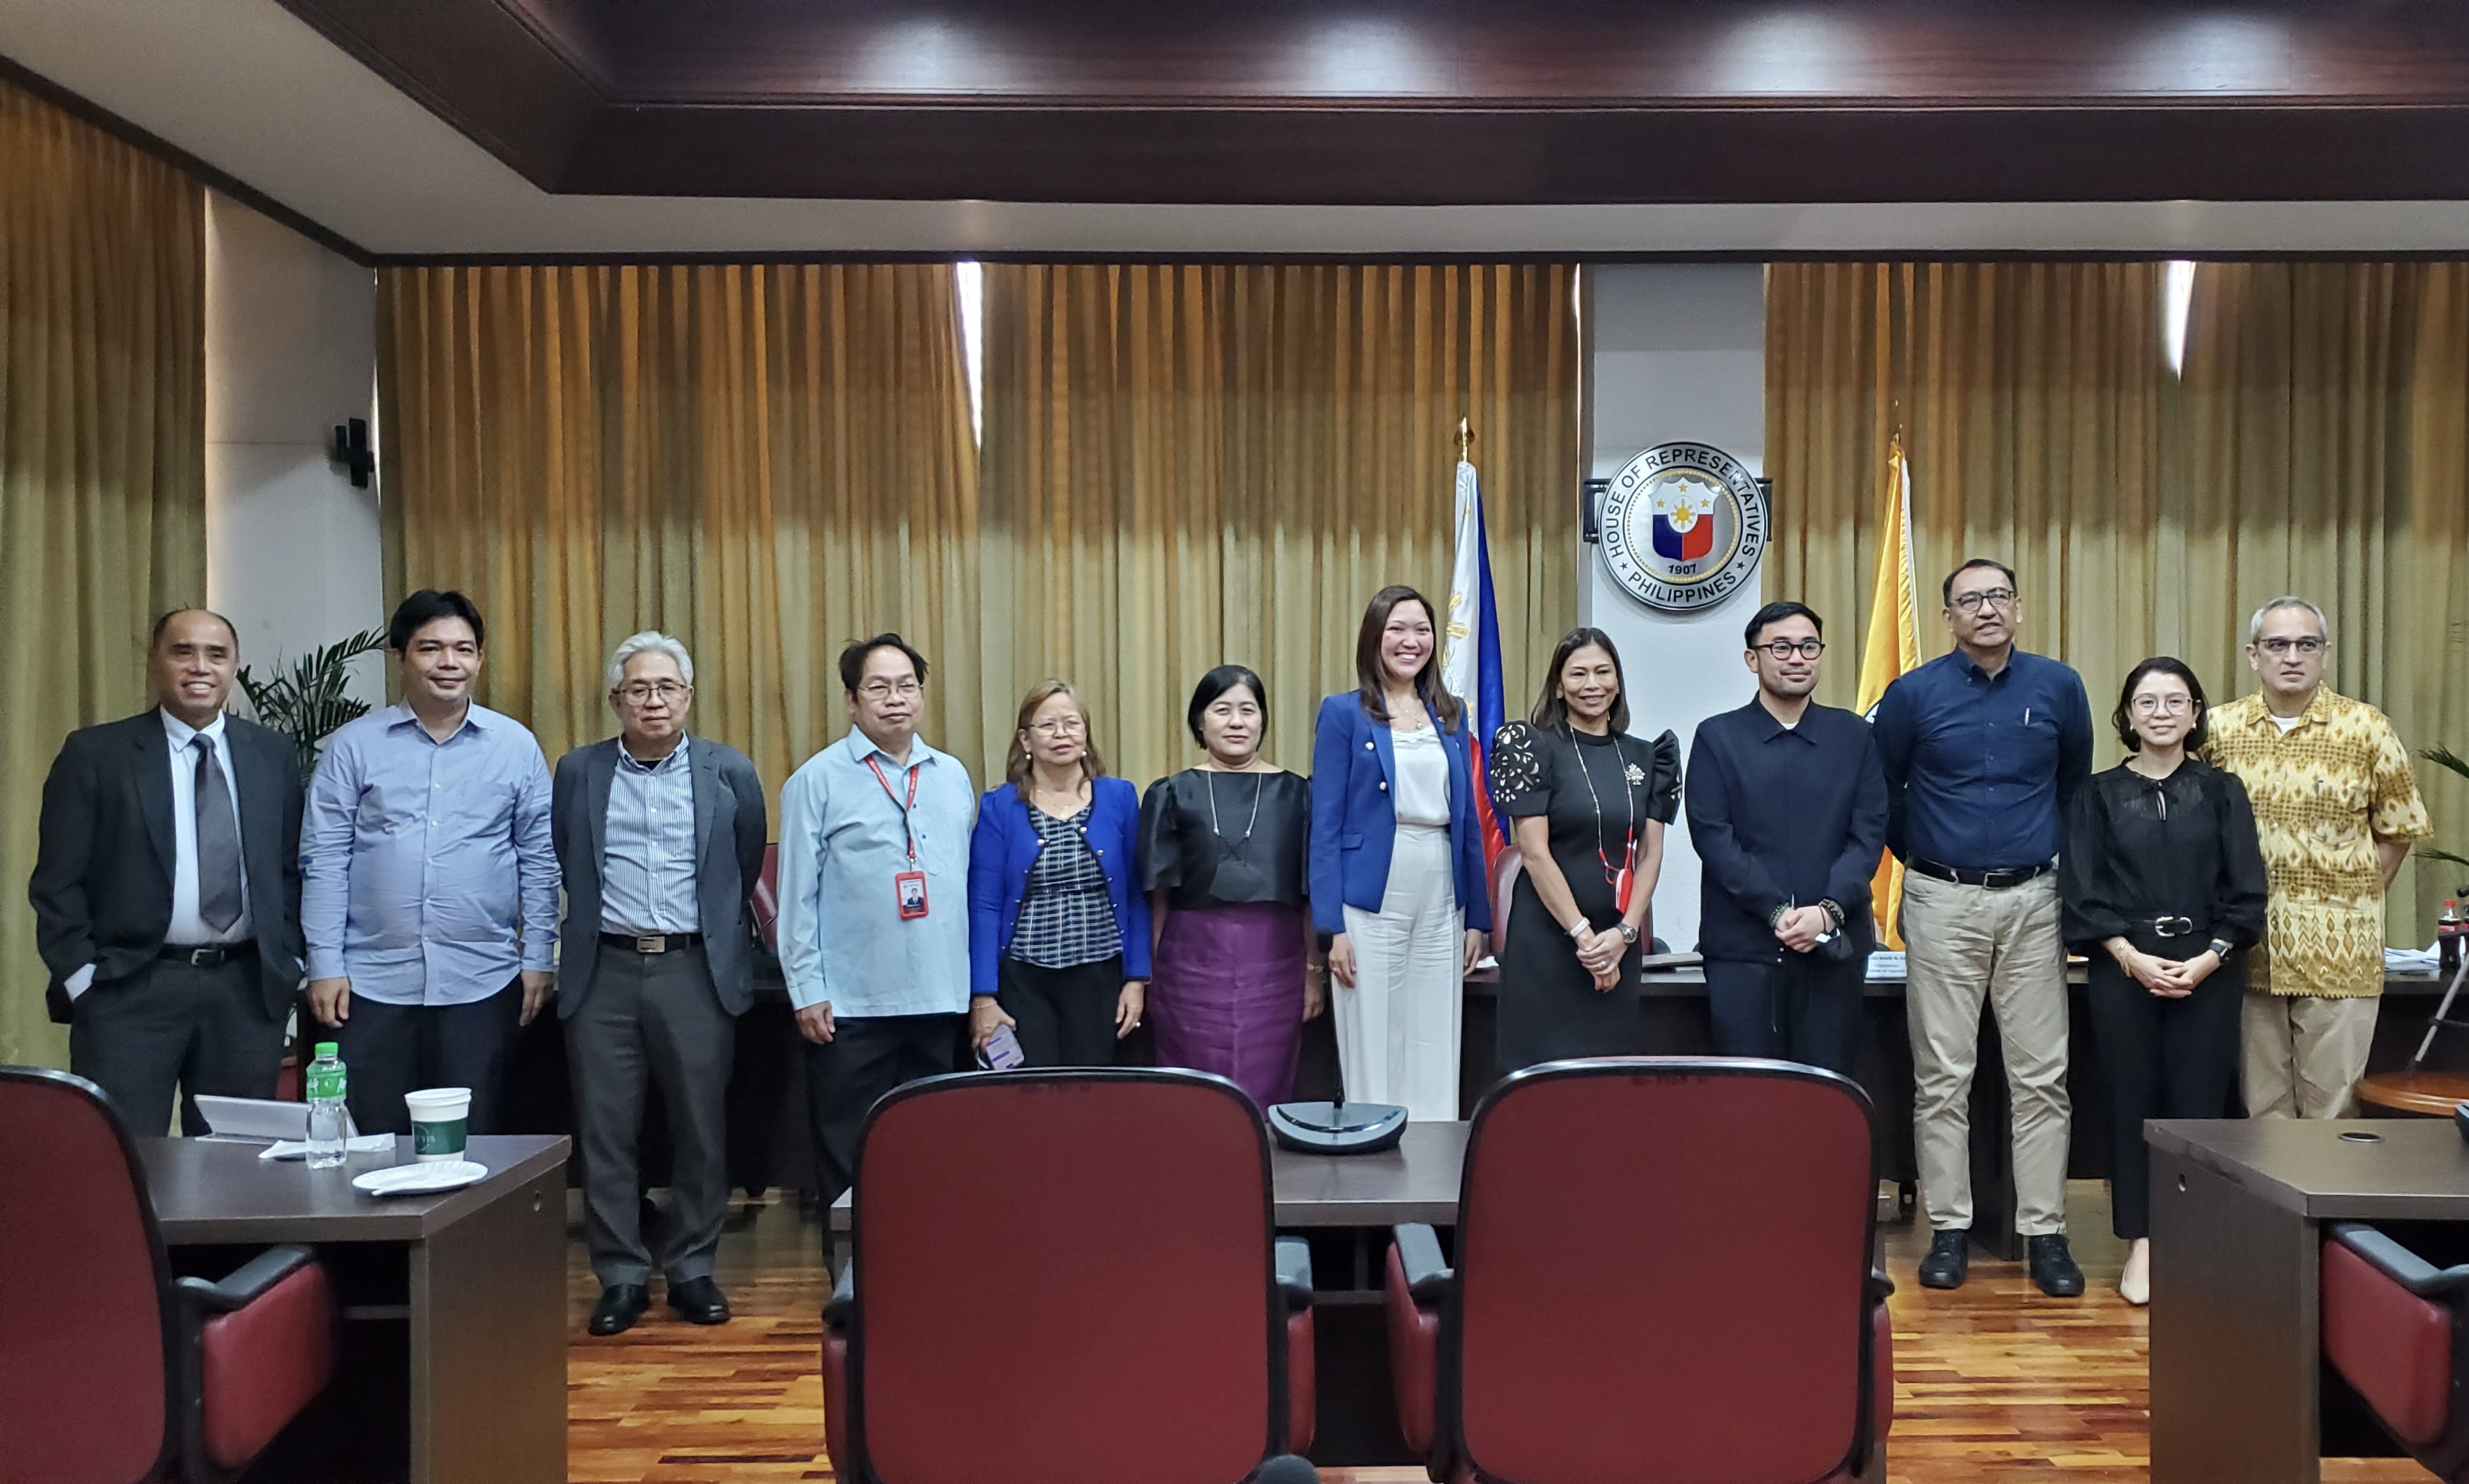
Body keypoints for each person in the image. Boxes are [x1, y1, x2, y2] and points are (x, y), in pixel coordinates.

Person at [1874, 558, 2093, 1297]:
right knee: (1942, 1077)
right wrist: (1928, 856)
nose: (1987, 609)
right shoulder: (1912, 694)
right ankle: (1947, 1229)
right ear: (1948, 618)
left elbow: (2072, 785)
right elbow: (1886, 790)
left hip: (2034, 900)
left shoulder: (2058, 686)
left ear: (2018, 607)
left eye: (1998, 596)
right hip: (1941, 899)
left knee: (2042, 1077)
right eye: (1970, 600)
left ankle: (2045, 1232)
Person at [552, 633, 767, 1337]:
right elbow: (567, 856)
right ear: (616, 701)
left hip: (693, 968)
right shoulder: (579, 771)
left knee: (701, 1127)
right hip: (604, 970)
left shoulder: (728, 770)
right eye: (638, 689)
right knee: (605, 1130)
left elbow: (741, 863)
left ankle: (691, 1268)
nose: (653, 700)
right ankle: (619, 1274)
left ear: (689, 697)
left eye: (667, 687)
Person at [29, 610, 306, 1136]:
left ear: (234, 666)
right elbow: (57, 882)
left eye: (216, 655)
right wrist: (83, 979)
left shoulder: (271, 754)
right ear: (154, 662)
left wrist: (289, 958)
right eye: (183, 652)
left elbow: (289, 868)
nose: (200, 667)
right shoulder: (97, 754)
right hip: (129, 988)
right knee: (126, 1157)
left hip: (244, 992)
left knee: (236, 1160)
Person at [302, 590, 557, 1137]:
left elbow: (539, 860)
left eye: (463, 649)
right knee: (373, 1142)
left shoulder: (515, 747)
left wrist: (539, 956)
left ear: (480, 659)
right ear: (400, 657)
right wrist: (324, 962)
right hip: (368, 984)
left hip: (482, 981)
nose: (449, 662)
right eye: (430, 648)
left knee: (474, 1143)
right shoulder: (354, 747)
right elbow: (324, 860)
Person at [2063, 658, 2267, 1306]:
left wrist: (2208, 959)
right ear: (2126, 715)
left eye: (2174, 701)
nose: (2160, 713)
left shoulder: (2222, 790)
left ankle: (2194, 1239)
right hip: (2122, 968)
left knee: (2198, 1106)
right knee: (2129, 1102)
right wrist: (2130, 957)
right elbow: (2081, 892)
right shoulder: (2095, 795)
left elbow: (2247, 891)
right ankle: (2142, 1241)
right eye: (2146, 702)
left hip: (2208, 967)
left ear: (2194, 713)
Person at [2203, 597, 2430, 1119]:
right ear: (2253, 655)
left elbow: (2397, 830)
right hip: (2249, 952)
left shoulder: (2366, 729)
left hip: (2340, 954)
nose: (2291, 657)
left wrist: (2350, 901)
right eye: (2277, 645)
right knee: (2262, 1114)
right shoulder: (2217, 732)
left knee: (2332, 1111)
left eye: (2305, 644)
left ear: (2325, 654)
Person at [777, 634, 975, 1214]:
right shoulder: (816, 780)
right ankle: (853, 1266)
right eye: (878, 687)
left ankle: (927, 1259)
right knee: (851, 1151)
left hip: (939, 998)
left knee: (934, 1147)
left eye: (906, 686)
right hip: (851, 1006)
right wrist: (807, 991)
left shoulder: (951, 775)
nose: (895, 699)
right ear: (851, 699)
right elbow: (796, 897)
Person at [1310, 586, 1492, 1120]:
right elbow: (1324, 825)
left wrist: (1477, 918)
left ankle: (1432, 1155)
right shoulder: (1343, 713)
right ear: (1374, 637)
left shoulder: (1451, 714)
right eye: (1397, 629)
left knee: (1436, 1030)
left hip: (1441, 885)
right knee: (1372, 1030)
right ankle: (1375, 1148)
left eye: (1421, 630)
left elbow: (1467, 822)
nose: (1410, 641)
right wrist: (1330, 927)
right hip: (1369, 890)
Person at [1684, 601, 1887, 1075]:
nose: (1797, 658)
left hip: (1833, 949)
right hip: (1743, 951)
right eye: (1781, 647)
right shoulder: (1718, 737)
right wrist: (1776, 911)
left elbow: (1868, 834)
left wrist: (1826, 912)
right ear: (1752, 659)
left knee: (1827, 1092)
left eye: (1808, 647)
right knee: (1749, 1093)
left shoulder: (1853, 735)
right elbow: (1714, 838)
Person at [1487, 629, 1679, 1070]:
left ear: (1617, 681)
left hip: (1617, 944)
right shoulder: (1533, 747)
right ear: (1558, 686)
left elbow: (1649, 854)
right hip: (1547, 943)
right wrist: (1586, 940)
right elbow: (1533, 853)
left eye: (1602, 672)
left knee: (1606, 1081)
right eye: (1577, 674)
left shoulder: (1648, 756)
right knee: (1539, 1081)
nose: (1592, 684)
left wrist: (1625, 935)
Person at [1138, 665, 1321, 1108]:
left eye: (1248, 710)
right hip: (1189, 968)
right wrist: (1149, 973)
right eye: (1222, 710)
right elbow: (1157, 895)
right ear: (1199, 722)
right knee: (1194, 1092)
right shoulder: (1171, 793)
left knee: (1267, 1084)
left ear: (1263, 721)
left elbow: (1309, 894)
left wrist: (1313, 973)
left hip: (1275, 966)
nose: (1236, 722)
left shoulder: (1299, 794)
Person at [968, 682, 1151, 1067]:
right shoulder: (999, 806)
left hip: (1100, 973)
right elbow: (984, 903)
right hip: (1023, 978)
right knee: (1031, 1090)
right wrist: (984, 995)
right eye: (1047, 725)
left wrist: (1137, 979)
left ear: (1086, 734)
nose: (1061, 734)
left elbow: (1136, 893)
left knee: (1092, 1088)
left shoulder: (1119, 797)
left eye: (1071, 723)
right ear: (1026, 739)